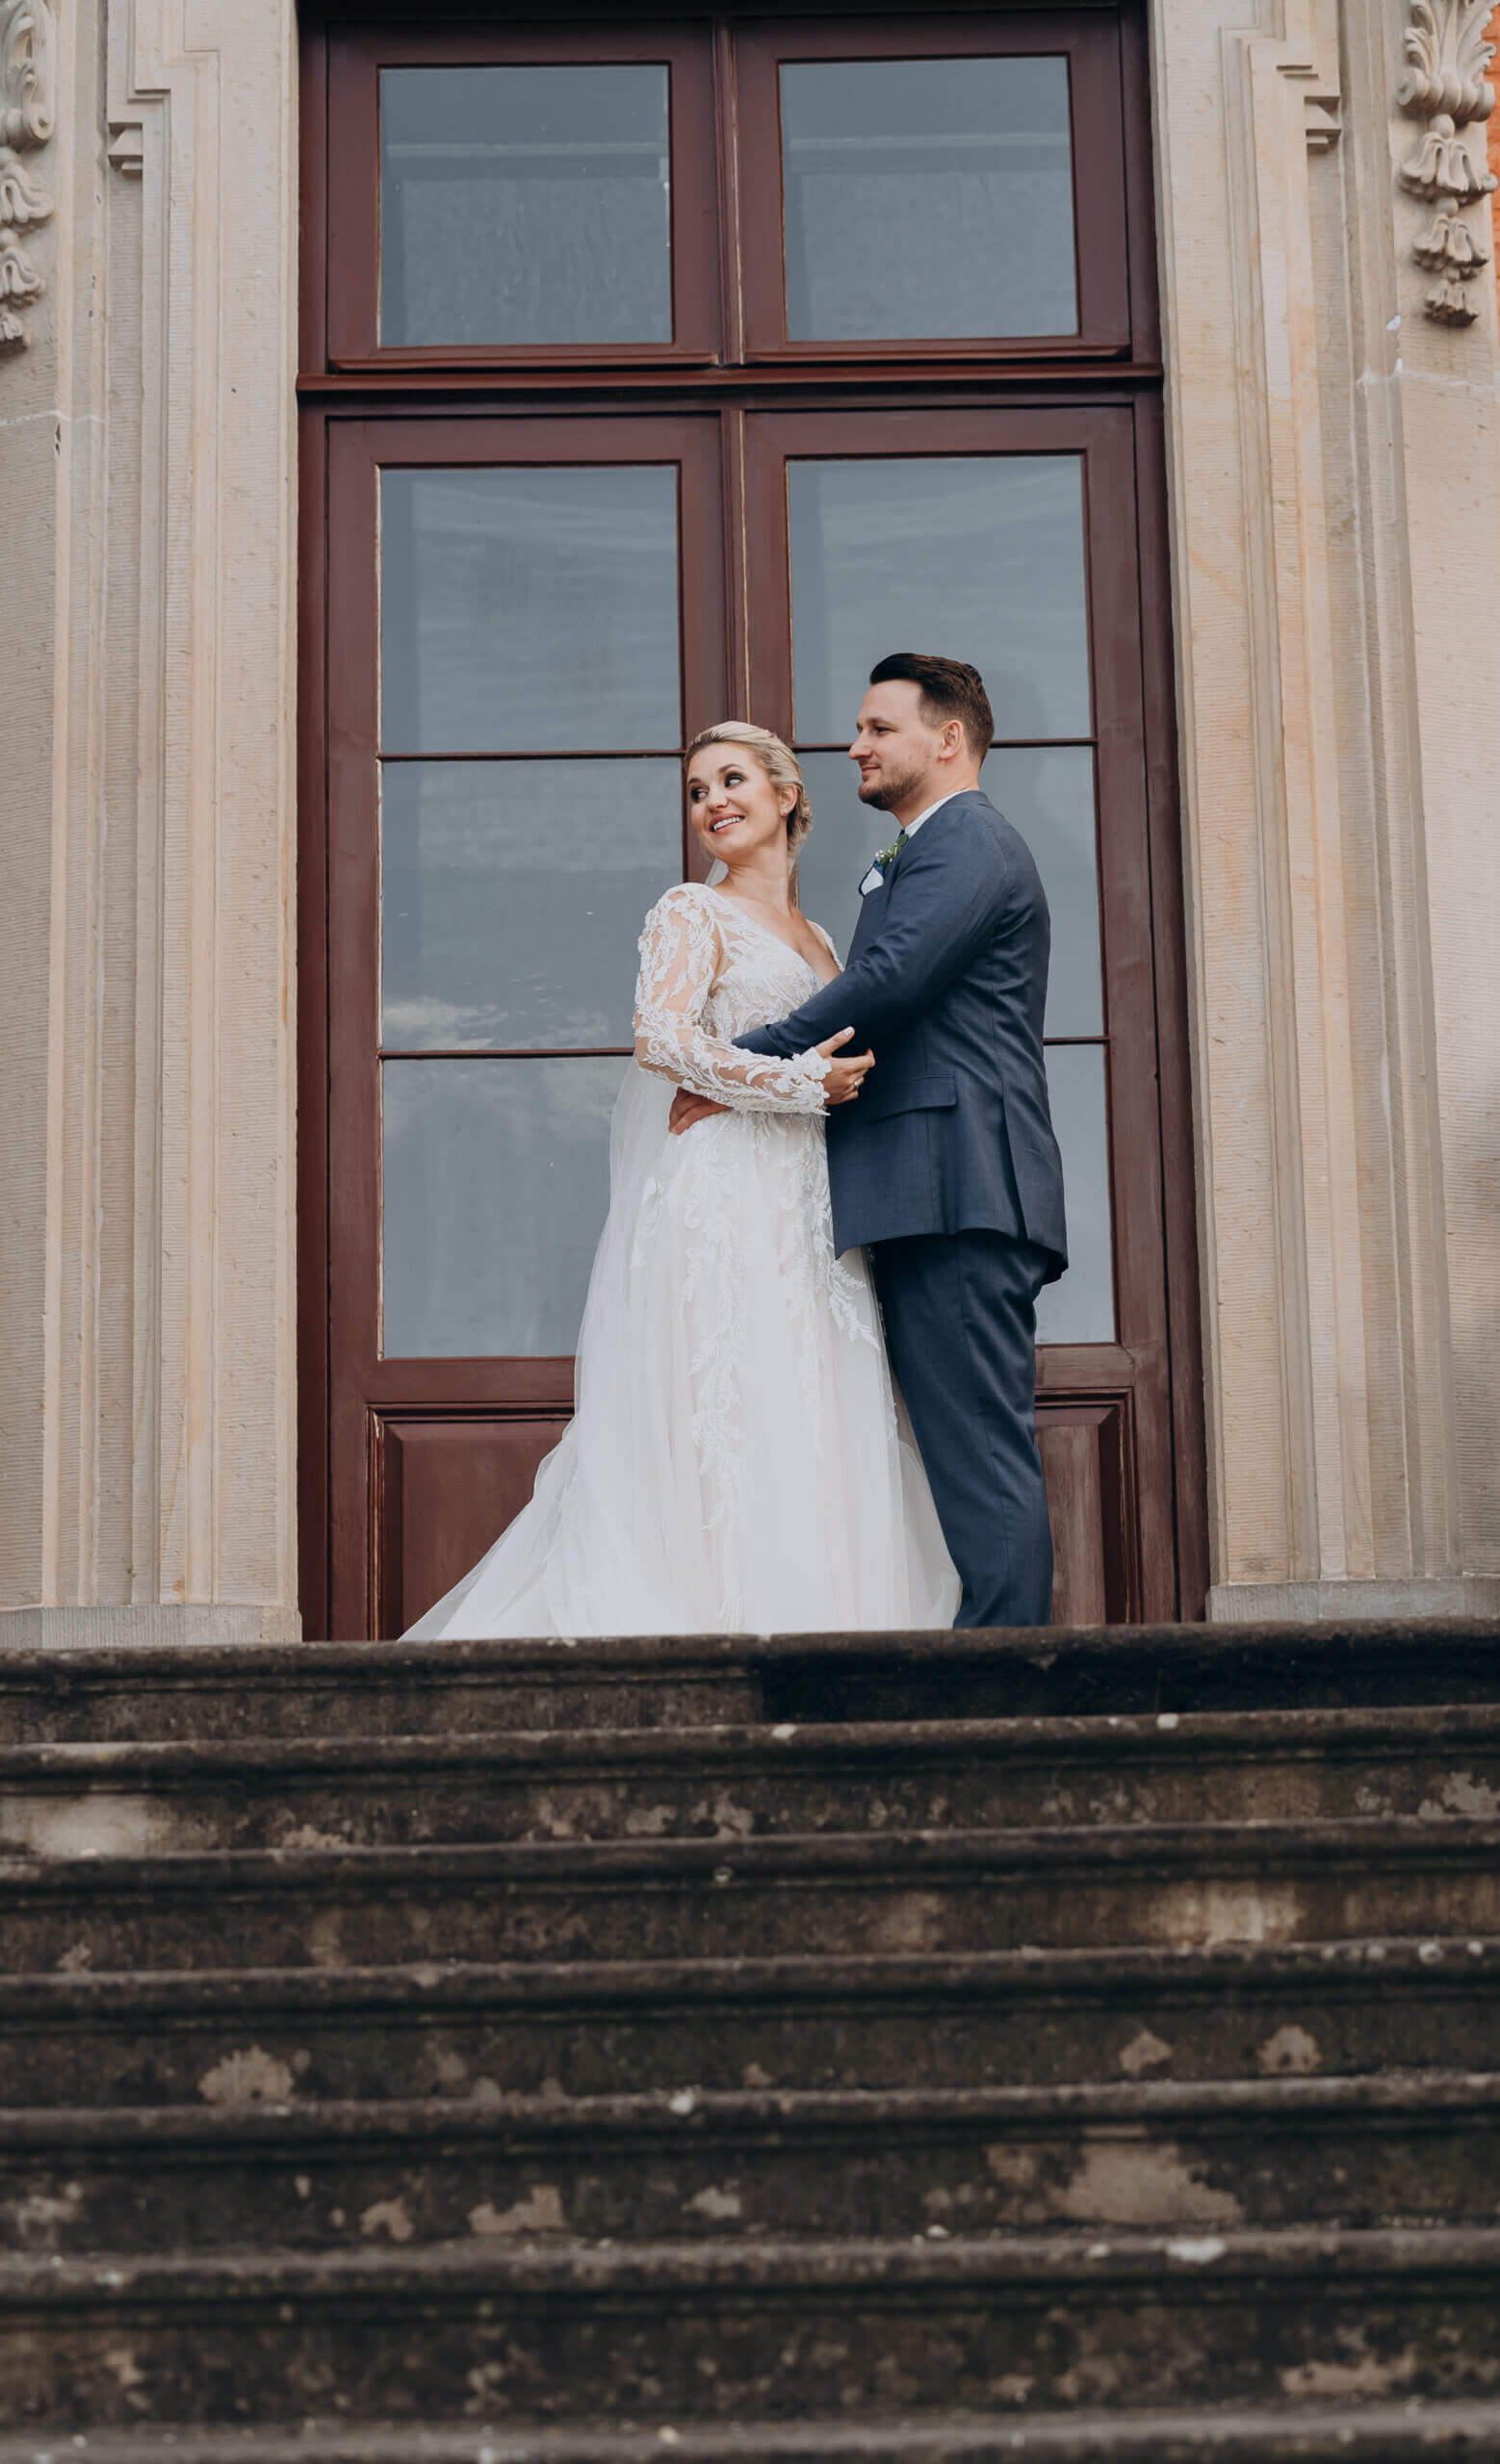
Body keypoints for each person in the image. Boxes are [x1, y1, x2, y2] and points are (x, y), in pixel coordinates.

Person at [403, 720, 960, 1640]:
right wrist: (792, 1083)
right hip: (725, 1191)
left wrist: (831, 1091)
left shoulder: (821, 934)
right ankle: (717, 1618)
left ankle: (820, 1619)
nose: (713, 804)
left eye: (733, 780)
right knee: (728, 1394)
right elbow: (659, 1038)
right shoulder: (690, 913)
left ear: (787, 795)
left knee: (814, 1393)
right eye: (698, 791)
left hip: (810, 1204)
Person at [675, 654, 1067, 1629]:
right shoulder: (920, 850)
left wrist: (732, 1064)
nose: (855, 744)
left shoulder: (969, 841)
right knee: (959, 1449)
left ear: (948, 738)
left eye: (878, 727)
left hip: (959, 1188)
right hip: (924, 1190)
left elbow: (888, 980)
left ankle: (999, 1692)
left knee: (978, 1453)